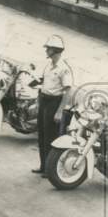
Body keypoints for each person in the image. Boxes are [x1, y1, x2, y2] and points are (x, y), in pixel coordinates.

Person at [36, 35, 73, 175]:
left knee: (50, 136)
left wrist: (59, 111)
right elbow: (43, 83)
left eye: (49, 48)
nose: (46, 51)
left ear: (56, 50)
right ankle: (43, 166)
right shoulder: (48, 65)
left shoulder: (63, 68)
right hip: (44, 100)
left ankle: (50, 168)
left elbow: (67, 91)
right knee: (41, 134)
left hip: (54, 102)